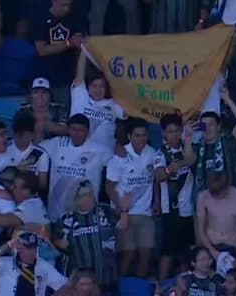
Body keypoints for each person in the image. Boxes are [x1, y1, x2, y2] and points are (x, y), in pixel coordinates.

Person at [106, 118, 159, 278]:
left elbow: (156, 179)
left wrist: (156, 202)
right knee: (127, 255)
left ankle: (140, 287)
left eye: (144, 135)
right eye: (137, 135)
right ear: (129, 136)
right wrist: (121, 208)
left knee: (145, 256)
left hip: (146, 213)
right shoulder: (119, 157)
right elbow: (109, 187)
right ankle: (121, 287)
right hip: (125, 215)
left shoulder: (152, 153)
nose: (141, 139)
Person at [52, 180, 119, 287]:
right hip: (80, 283)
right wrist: (59, 242)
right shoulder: (66, 220)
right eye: (83, 196)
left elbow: (122, 228)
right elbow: (53, 241)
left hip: (107, 279)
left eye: (90, 194)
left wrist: (124, 210)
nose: (88, 199)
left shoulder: (106, 211)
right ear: (75, 198)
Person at [155, 113, 198, 282]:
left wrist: (188, 138)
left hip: (189, 210)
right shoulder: (160, 153)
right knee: (168, 250)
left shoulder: (189, 147)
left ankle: (185, 287)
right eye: (170, 131)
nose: (174, 135)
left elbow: (191, 161)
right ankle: (160, 287)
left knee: (187, 252)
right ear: (163, 133)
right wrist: (169, 169)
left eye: (177, 131)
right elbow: (159, 176)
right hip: (171, 210)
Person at [44, 115, 111, 222]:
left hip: (85, 214)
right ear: (68, 130)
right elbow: (34, 149)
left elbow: (120, 163)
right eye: (73, 129)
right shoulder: (56, 144)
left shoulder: (100, 150)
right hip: (56, 215)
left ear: (87, 132)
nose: (76, 133)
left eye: (81, 130)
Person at [0, 231, 69, 296]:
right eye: (28, 248)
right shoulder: (7, 263)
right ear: (19, 249)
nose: (33, 252)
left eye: (34, 248)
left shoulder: (43, 266)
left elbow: (66, 286)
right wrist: (9, 244)